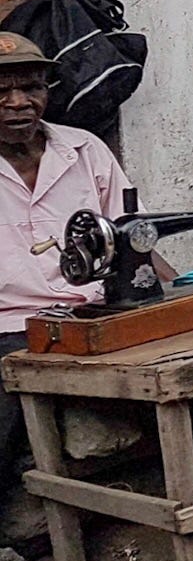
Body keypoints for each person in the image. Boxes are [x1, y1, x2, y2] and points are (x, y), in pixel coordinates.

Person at [0, 33, 168, 501]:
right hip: (12, 326)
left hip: (94, 312)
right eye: (2, 93)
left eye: (31, 87)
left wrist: (185, 292)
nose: (19, 103)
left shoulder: (84, 150)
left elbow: (131, 237)